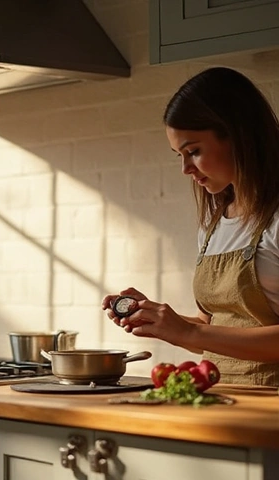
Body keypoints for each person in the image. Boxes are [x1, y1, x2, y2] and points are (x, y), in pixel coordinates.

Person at [101, 66, 279, 386]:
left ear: (238, 135)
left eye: (193, 151)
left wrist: (190, 330)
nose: (185, 169)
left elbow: (201, 332)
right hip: (220, 396)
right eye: (179, 155)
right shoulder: (214, 226)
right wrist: (158, 319)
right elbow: (211, 331)